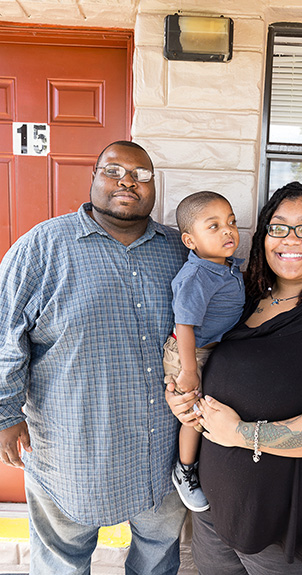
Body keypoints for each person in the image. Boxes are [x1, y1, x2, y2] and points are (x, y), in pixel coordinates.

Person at [166, 181, 302, 575]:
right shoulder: (241, 298)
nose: (291, 239)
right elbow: (202, 357)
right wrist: (181, 399)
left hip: (286, 527)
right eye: (278, 227)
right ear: (265, 235)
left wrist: (243, 434)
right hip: (214, 510)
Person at [0, 140, 189, 575]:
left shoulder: (180, 251)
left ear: (153, 186)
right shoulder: (43, 246)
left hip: (161, 448)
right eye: (114, 170)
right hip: (73, 448)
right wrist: (6, 414)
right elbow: (6, 332)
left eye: (141, 174)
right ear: (93, 178)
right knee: (62, 560)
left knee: (158, 555)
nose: (127, 181)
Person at [163, 191, 245, 513]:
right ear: (190, 240)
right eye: (213, 226)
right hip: (188, 354)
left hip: (207, 352)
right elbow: (184, 324)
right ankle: (184, 470)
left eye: (231, 222)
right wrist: (188, 369)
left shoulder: (225, 267)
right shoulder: (197, 275)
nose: (228, 231)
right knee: (194, 416)